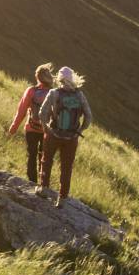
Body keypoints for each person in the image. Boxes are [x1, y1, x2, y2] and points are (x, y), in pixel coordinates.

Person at [36, 66, 91, 206]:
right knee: (66, 167)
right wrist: (79, 130)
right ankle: (63, 198)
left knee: (46, 161)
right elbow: (88, 117)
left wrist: (45, 128)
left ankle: (43, 188)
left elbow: (42, 113)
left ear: (59, 79)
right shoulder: (80, 95)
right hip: (71, 138)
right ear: (72, 79)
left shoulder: (54, 93)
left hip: (53, 134)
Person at [5, 64, 56, 188]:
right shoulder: (54, 93)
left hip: (31, 129)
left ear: (37, 77)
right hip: (47, 131)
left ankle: (32, 183)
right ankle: (43, 185)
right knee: (44, 158)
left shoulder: (31, 91)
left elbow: (21, 111)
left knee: (31, 156)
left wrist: (13, 127)